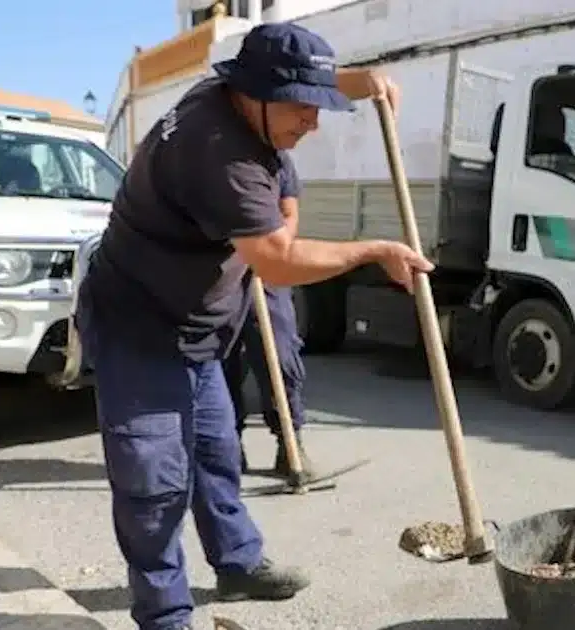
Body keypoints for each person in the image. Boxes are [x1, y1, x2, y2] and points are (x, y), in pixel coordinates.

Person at [74, 22, 432, 630]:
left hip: (198, 330)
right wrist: (373, 251)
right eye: (302, 109)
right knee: (154, 486)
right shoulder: (220, 151)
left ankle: (238, 564)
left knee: (216, 456)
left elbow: (300, 106)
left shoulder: (236, 97)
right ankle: (165, 616)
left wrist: (363, 82)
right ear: (257, 96)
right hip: (139, 328)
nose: (313, 122)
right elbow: (277, 262)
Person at [222, 152, 315, 479]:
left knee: (280, 353)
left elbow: (289, 213)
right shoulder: (219, 157)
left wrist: (272, 251)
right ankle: (227, 446)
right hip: (220, 272)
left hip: (268, 271)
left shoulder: (279, 161)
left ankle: (289, 443)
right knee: (221, 360)